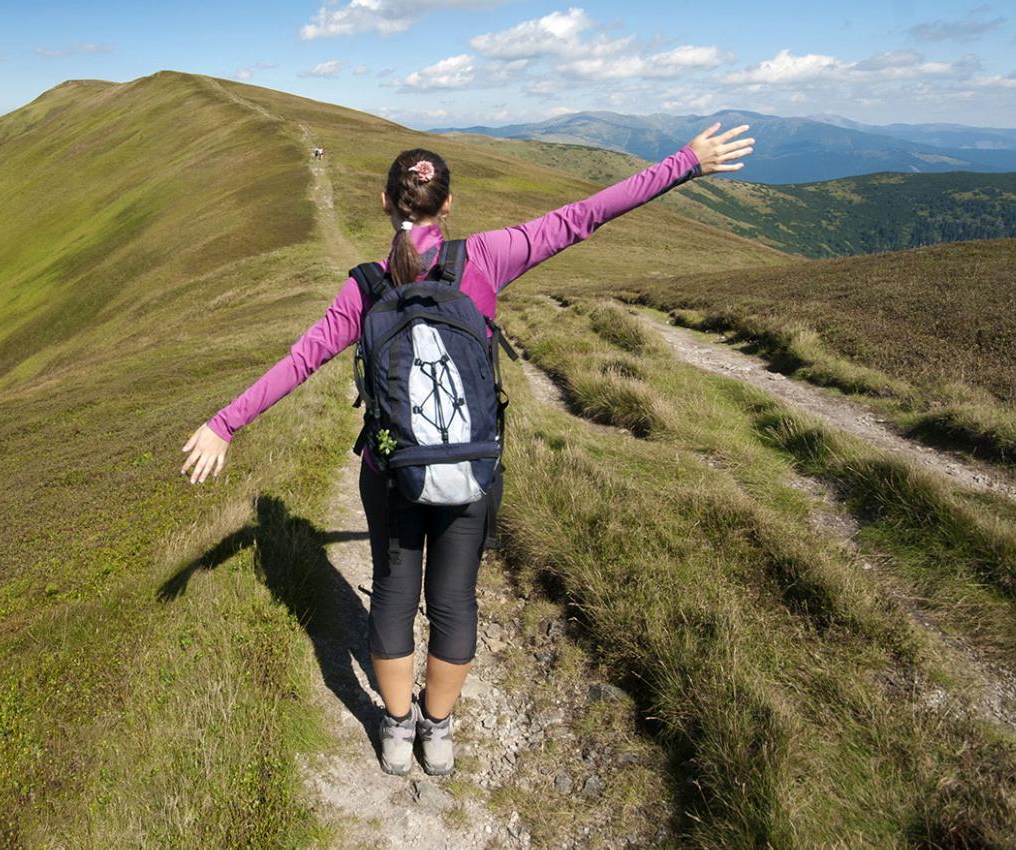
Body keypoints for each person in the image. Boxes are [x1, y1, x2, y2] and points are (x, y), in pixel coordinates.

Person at [180, 122, 755, 776]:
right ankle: (439, 731)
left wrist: (224, 424)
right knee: (453, 599)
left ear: (385, 205)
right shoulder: (485, 257)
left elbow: (300, 361)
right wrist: (685, 163)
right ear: (446, 207)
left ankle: (395, 732)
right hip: (469, 470)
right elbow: (587, 215)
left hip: (391, 472)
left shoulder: (365, 288)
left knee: (394, 594)